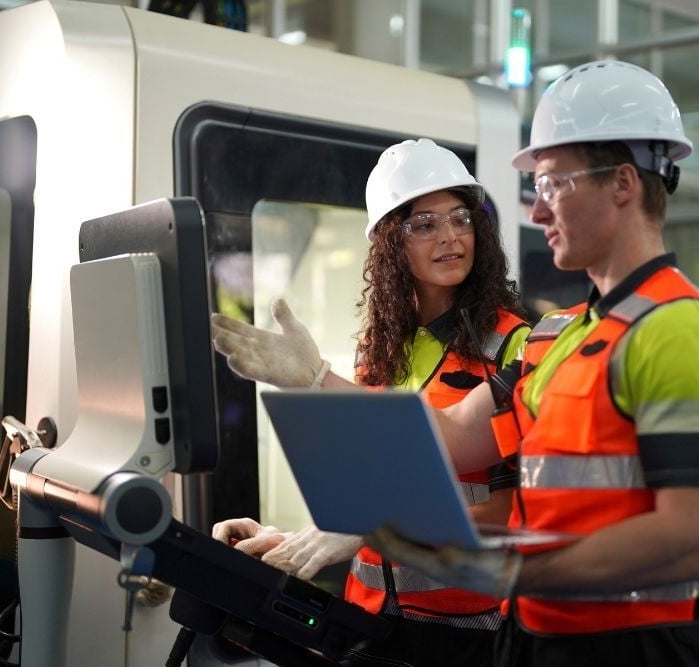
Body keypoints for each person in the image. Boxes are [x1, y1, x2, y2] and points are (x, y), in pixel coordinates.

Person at [365, 60, 699, 666]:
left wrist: (510, 566)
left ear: (623, 183)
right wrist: (313, 380)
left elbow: (690, 543)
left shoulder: (685, 331)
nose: (538, 210)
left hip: (637, 652)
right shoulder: (564, 338)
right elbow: (452, 438)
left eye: (552, 185)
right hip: (538, 640)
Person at [211, 138, 531, 666]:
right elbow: (363, 496)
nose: (450, 237)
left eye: (460, 219)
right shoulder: (380, 351)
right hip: (368, 621)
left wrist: (382, 528)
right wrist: (292, 541)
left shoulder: (514, 346)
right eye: (424, 224)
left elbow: (513, 507)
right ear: (389, 243)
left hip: (468, 632)